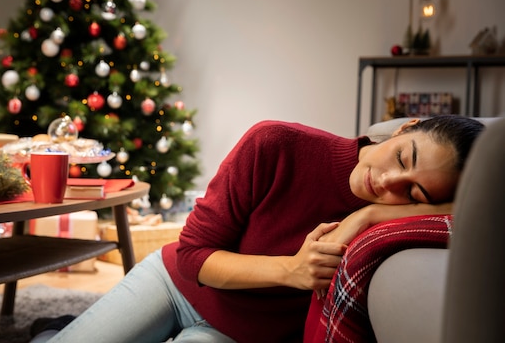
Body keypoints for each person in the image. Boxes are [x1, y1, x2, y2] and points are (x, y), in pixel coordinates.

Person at [30, 115, 484, 343]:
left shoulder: (392, 215)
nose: (387, 184)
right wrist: (291, 270)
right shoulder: (275, 144)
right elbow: (192, 256)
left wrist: (367, 216)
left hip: (235, 336)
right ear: (405, 128)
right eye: (403, 158)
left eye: (416, 195)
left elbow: (481, 219)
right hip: (176, 284)